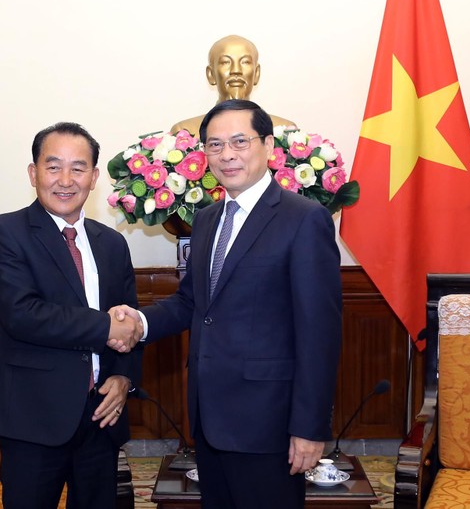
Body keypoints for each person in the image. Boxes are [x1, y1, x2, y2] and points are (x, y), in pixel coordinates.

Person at [111, 100, 342, 509]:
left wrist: (309, 427)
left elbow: (319, 334)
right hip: (209, 416)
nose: (227, 154)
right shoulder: (207, 220)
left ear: (268, 144)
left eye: (239, 141)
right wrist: (140, 322)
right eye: (215, 145)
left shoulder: (304, 219)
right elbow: (193, 303)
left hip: (270, 421)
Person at [0, 122, 143, 509]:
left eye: (78, 168)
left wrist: (123, 377)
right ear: (33, 173)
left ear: (94, 177)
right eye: (53, 167)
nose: (65, 180)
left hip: (100, 418)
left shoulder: (112, 244)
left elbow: (131, 321)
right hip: (33, 417)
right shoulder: (5, 231)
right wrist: (106, 326)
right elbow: (24, 314)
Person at [170, 35, 297, 137]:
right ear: (211, 74)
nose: (236, 70)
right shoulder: (186, 133)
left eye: (245, 62)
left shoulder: (284, 131)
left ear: (257, 73)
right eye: (225, 62)